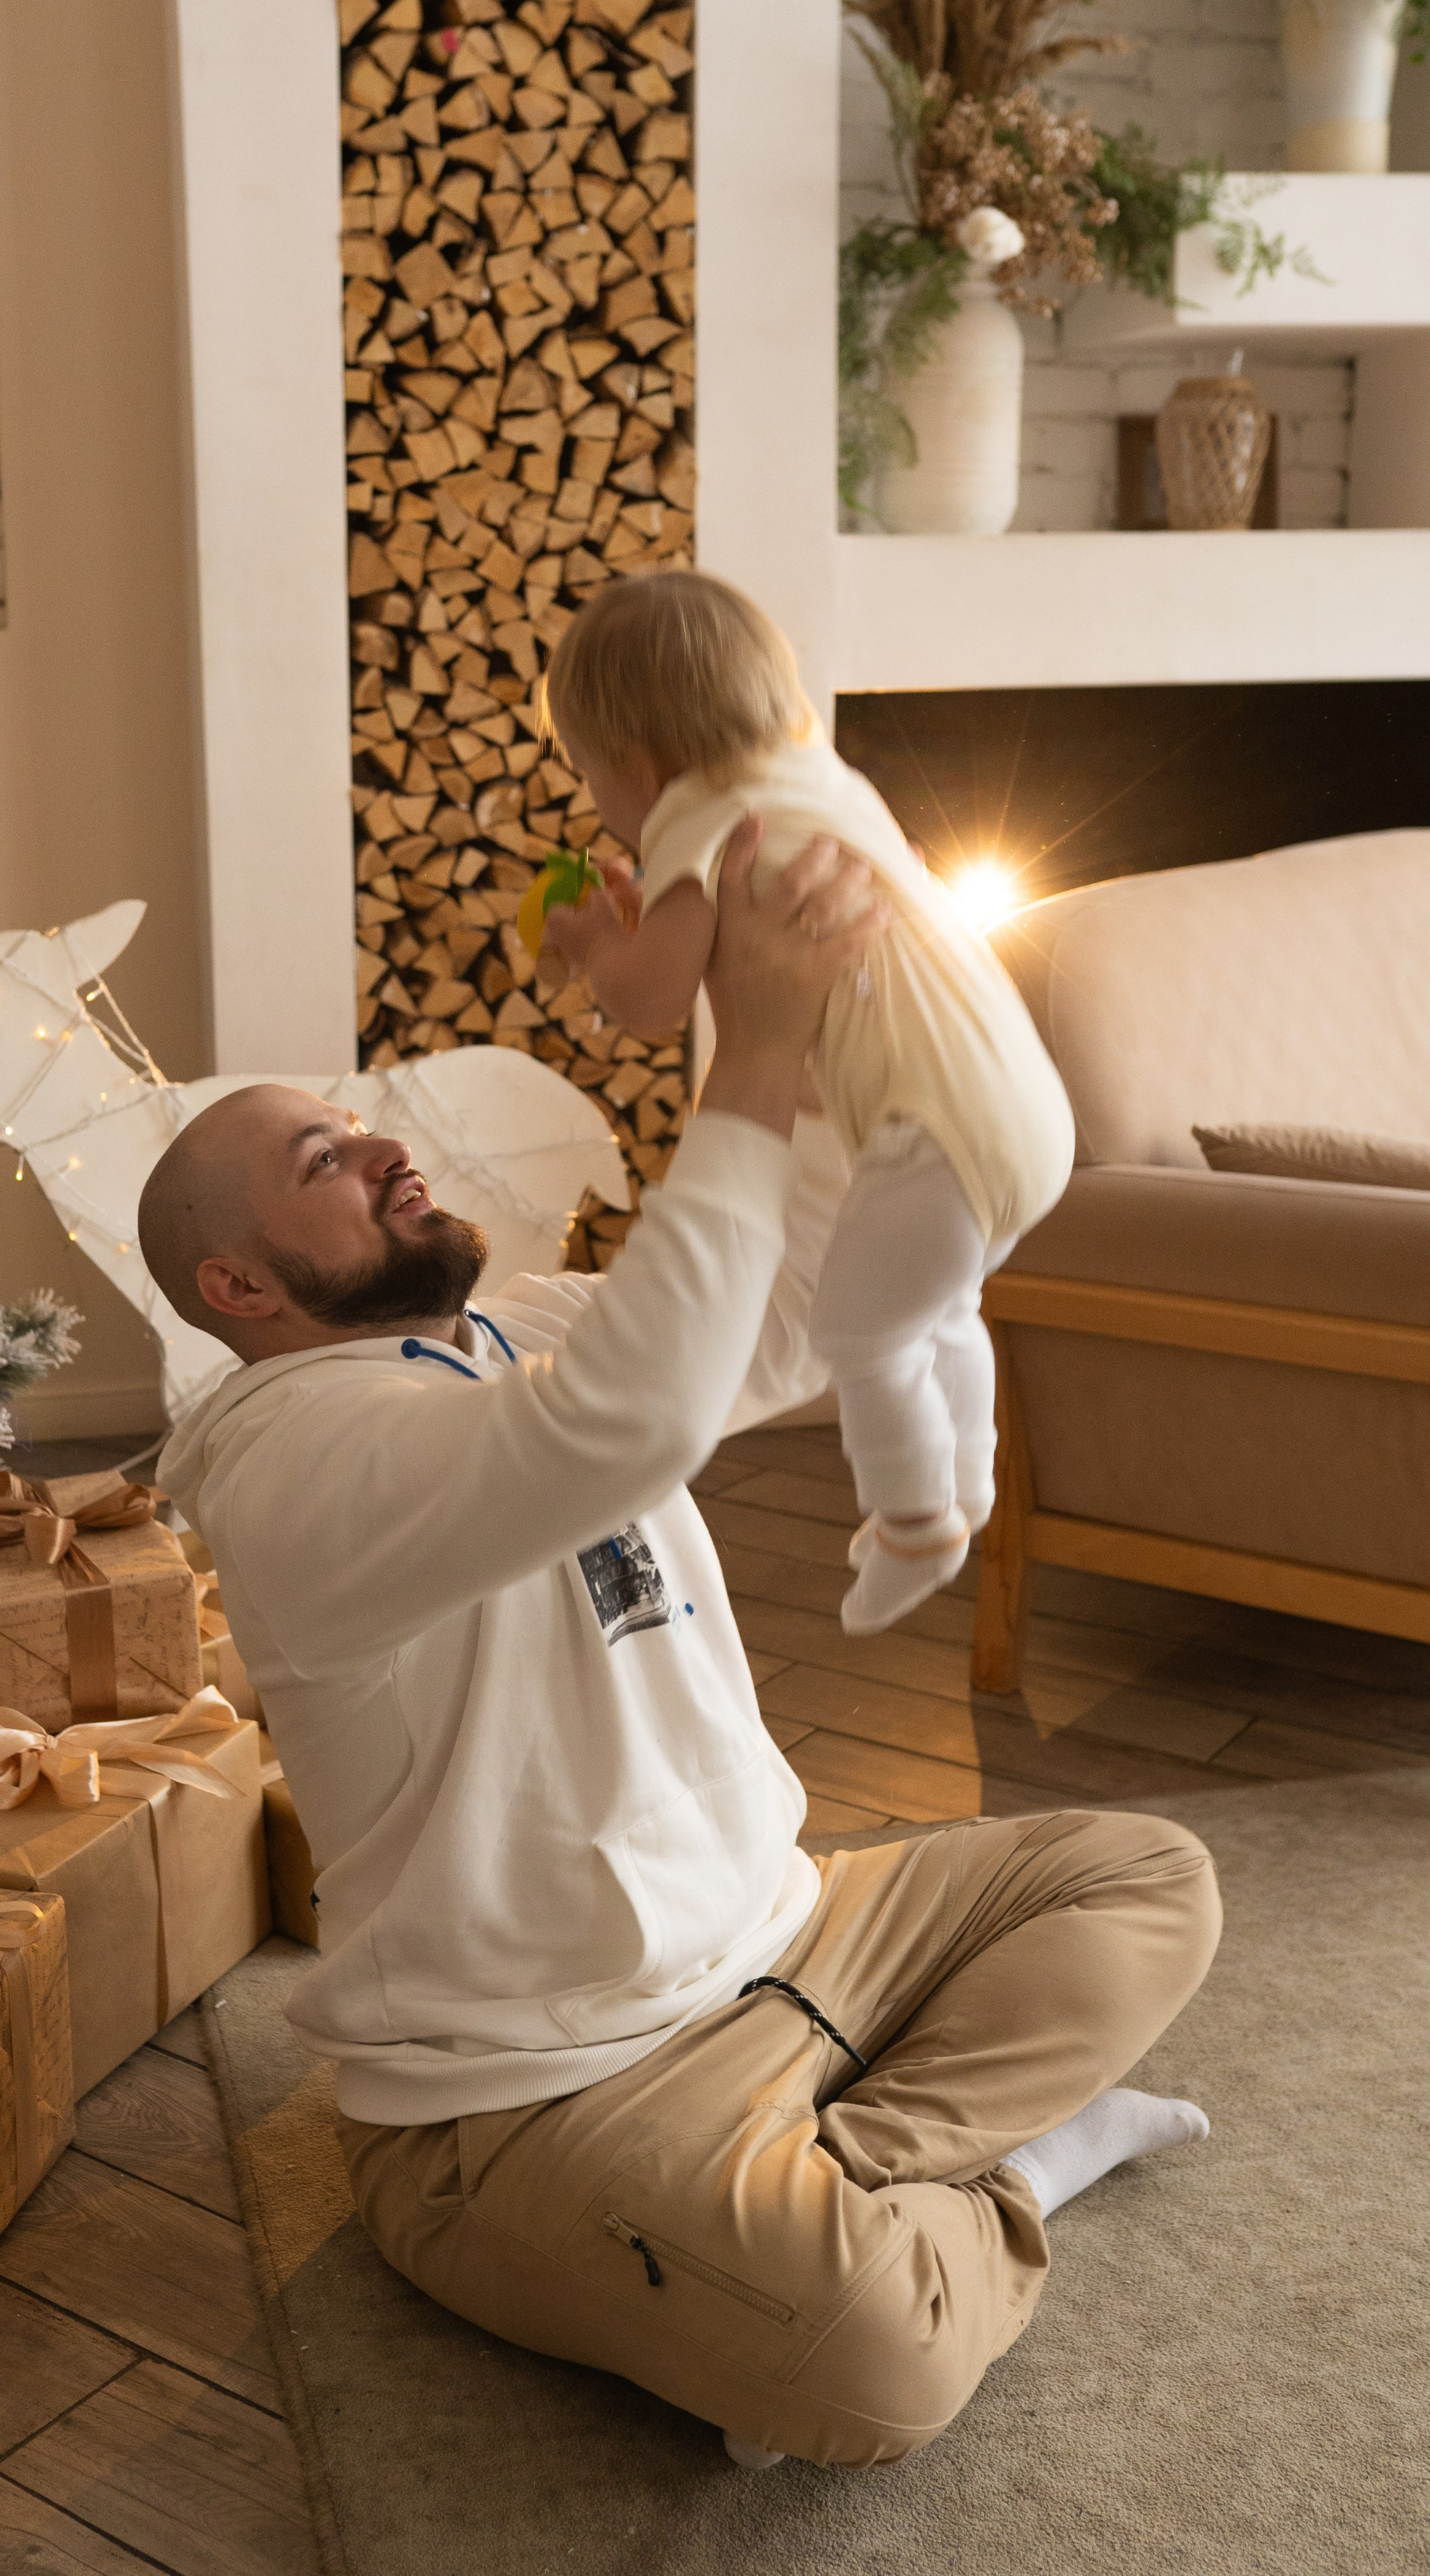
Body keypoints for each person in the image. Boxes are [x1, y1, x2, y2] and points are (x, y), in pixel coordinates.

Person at [140, 824, 1218, 2474]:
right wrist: (764, 1046)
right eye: (320, 1164)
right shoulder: (292, 1466)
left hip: (793, 1933)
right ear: (239, 1283)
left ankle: (853, 2173)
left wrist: (837, 989)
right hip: (535, 2090)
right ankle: (1000, 2169)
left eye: (363, 1127)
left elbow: (823, 1281)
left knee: (1146, 1877)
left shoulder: (538, 1328)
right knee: (871, 2374)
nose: (379, 1150)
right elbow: (620, 1425)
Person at [537, 567, 1078, 1634]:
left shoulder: (700, 816)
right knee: (942, 1309)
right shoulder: (817, 780)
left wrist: (601, 946)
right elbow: (721, 934)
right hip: (1029, 1115)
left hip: (931, 1139)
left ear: (640, 768)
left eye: (591, 775)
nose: (600, 802)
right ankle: (964, 1481)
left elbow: (650, 1001)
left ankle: (915, 1518)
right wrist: (667, 916)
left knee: (859, 1334)